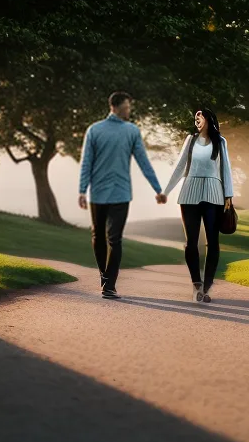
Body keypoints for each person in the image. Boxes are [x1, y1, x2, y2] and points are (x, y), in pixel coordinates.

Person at [78, 91, 166, 299]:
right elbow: (87, 163)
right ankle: (106, 280)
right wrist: (82, 190)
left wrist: (157, 189)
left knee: (109, 238)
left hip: (116, 193)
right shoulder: (96, 130)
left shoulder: (130, 131)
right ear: (114, 107)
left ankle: (108, 282)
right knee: (103, 237)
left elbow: (143, 161)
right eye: (126, 107)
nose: (129, 110)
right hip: (103, 193)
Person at [161, 106, 234, 303]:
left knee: (213, 241)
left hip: (214, 193)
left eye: (199, 118)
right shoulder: (190, 140)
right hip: (189, 192)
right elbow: (179, 166)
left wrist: (229, 196)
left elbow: (225, 168)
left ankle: (207, 285)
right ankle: (196, 285)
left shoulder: (221, 142)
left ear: (208, 119)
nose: (196, 121)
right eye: (195, 119)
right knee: (191, 242)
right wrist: (166, 191)